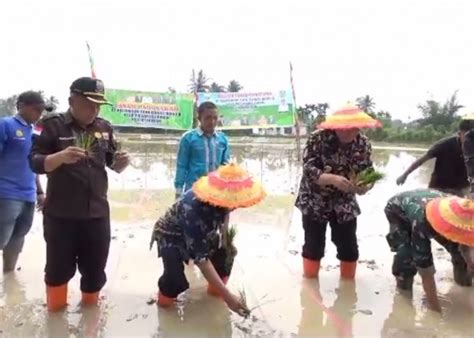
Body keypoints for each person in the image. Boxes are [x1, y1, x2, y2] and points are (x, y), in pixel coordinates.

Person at [29, 77, 131, 312]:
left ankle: (90, 317)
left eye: (98, 106)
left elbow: (112, 164)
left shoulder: (104, 127)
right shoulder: (51, 125)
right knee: (57, 270)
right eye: (89, 104)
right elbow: (34, 162)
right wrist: (60, 157)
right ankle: (55, 318)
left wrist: (121, 162)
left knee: (95, 270)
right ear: (71, 101)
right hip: (60, 216)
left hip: (96, 215)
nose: (94, 110)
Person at [150, 163, 266, 316]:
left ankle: (214, 292)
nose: (235, 206)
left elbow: (224, 218)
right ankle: (164, 306)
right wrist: (228, 298)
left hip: (201, 231)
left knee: (224, 257)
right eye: (233, 203)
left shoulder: (223, 202)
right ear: (219, 196)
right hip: (172, 234)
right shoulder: (193, 210)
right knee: (175, 280)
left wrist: (225, 243)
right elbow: (201, 260)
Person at [295, 103, 381, 280]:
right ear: (335, 126)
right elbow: (308, 168)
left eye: (353, 129)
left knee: (349, 245)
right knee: (313, 245)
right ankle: (310, 283)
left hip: (344, 201)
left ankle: (348, 281)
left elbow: (368, 172)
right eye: (343, 129)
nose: (348, 133)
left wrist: (365, 186)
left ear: (359, 127)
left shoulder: (363, 144)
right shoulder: (317, 139)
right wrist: (332, 179)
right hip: (315, 198)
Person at [384, 189, 474, 312]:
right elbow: (426, 271)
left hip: (442, 211)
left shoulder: (465, 211)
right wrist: (436, 311)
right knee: (406, 256)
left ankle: (464, 284)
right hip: (398, 211)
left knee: (459, 253)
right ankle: (404, 292)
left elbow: (465, 242)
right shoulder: (421, 223)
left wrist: (469, 261)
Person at [0, 91, 49, 273]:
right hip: (5, 194)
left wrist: (40, 192)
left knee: (17, 239)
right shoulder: (6, 125)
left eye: (41, 110)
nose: (39, 114)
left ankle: (8, 278)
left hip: (28, 195)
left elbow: (34, 165)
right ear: (21, 106)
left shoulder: (36, 133)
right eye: (35, 109)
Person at [396, 119, 474, 197]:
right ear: (459, 134)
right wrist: (405, 174)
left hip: (461, 190)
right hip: (438, 188)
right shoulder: (443, 145)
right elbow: (421, 160)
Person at [174, 101, 230, 199]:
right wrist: (178, 192)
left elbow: (225, 167)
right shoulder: (188, 139)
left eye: (215, 118)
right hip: (194, 192)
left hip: (216, 192)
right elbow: (182, 166)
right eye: (208, 118)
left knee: (217, 215)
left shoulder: (222, 139)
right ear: (199, 118)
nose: (212, 121)